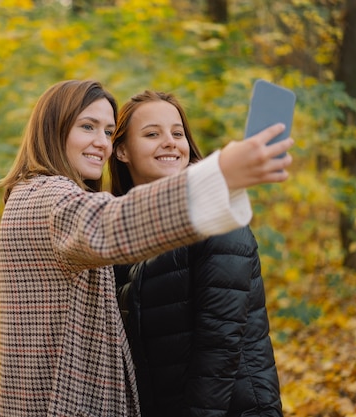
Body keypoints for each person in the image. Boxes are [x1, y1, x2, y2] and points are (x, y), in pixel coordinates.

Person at [0, 79, 293, 417]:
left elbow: (220, 347)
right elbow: (109, 224)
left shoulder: (31, 195)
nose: (100, 142)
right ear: (52, 130)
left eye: (108, 131)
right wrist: (221, 174)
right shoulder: (48, 198)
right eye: (87, 127)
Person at [110, 90, 284, 416]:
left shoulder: (217, 216)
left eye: (178, 133)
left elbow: (219, 345)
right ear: (121, 151)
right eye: (152, 134)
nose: (170, 142)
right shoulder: (120, 233)